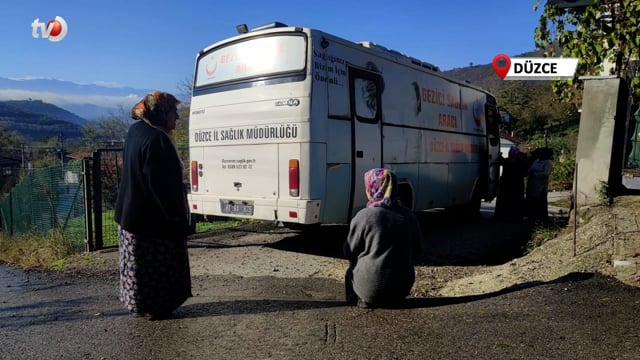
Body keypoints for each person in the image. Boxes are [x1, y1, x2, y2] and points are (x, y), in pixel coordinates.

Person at [114, 91, 193, 319]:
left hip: (131, 215)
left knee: (137, 267)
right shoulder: (157, 139)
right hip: (152, 221)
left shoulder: (136, 130)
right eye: (173, 112)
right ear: (160, 112)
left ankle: (140, 304)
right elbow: (162, 187)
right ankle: (158, 307)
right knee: (158, 266)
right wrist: (177, 219)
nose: (177, 117)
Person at [343, 168, 422, 308]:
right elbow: (418, 251)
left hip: (370, 291)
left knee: (350, 269)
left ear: (373, 188)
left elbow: (349, 252)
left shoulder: (364, 216)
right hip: (402, 289)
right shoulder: (409, 215)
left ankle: (358, 299)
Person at [494, 146, 529, 221]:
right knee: (515, 201)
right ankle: (515, 217)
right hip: (517, 184)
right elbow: (525, 173)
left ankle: (502, 216)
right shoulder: (521, 162)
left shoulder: (506, 161)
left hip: (505, 184)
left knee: (504, 200)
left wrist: (499, 155)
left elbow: (499, 160)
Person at [526, 147, 554, 223]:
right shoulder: (537, 160)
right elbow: (530, 168)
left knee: (541, 202)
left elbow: (545, 174)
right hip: (532, 183)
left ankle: (542, 218)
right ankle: (531, 217)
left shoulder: (548, 162)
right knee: (531, 201)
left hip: (541, 185)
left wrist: (535, 174)